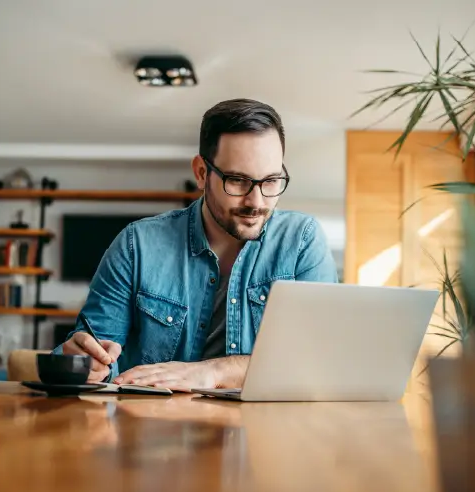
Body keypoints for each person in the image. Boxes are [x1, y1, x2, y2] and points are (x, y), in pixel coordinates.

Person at [54, 98, 338, 390]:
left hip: (266, 432)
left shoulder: (302, 240)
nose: (257, 202)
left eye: (271, 180)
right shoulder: (136, 245)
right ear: (202, 173)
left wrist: (214, 372)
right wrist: (84, 362)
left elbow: (322, 360)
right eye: (238, 181)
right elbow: (89, 353)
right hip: (153, 429)